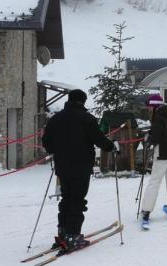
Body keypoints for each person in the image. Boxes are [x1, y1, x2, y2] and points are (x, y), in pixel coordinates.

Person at [42, 89, 117, 252]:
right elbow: (99, 139)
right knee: (77, 200)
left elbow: (46, 142)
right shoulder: (87, 119)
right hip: (81, 166)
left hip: (62, 167)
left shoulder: (55, 119)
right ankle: (73, 236)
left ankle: (62, 233)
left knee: (66, 198)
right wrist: (111, 146)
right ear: (82, 101)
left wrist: (56, 150)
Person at [140, 94, 167, 226]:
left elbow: (156, 136)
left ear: (154, 106)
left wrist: (148, 141)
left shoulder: (158, 117)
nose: (148, 110)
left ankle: (146, 210)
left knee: (154, 181)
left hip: (163, 153)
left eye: (149, 107)